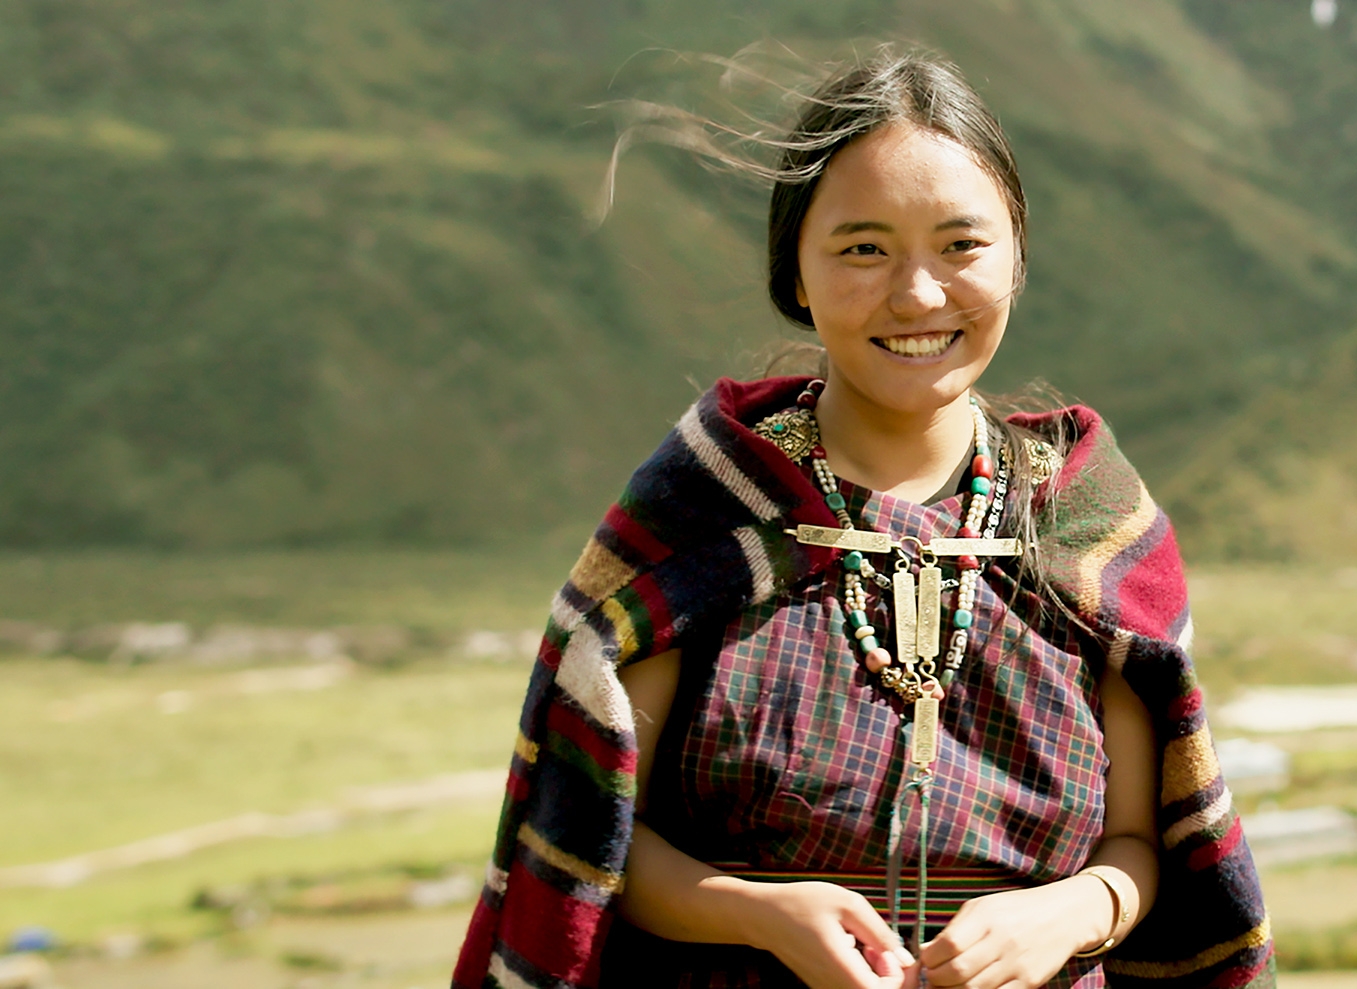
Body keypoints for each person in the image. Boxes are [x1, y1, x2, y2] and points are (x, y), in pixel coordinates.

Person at [450, 48, 1269, 989]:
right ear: (793, 268)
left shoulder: (1085, 521)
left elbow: (1141, 838)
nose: (918, 294)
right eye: (863, 248)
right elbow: (593, 831)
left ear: (1018, 259)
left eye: (962, 245)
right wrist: (761, 912)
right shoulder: (708, 503)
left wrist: (1070, 910)